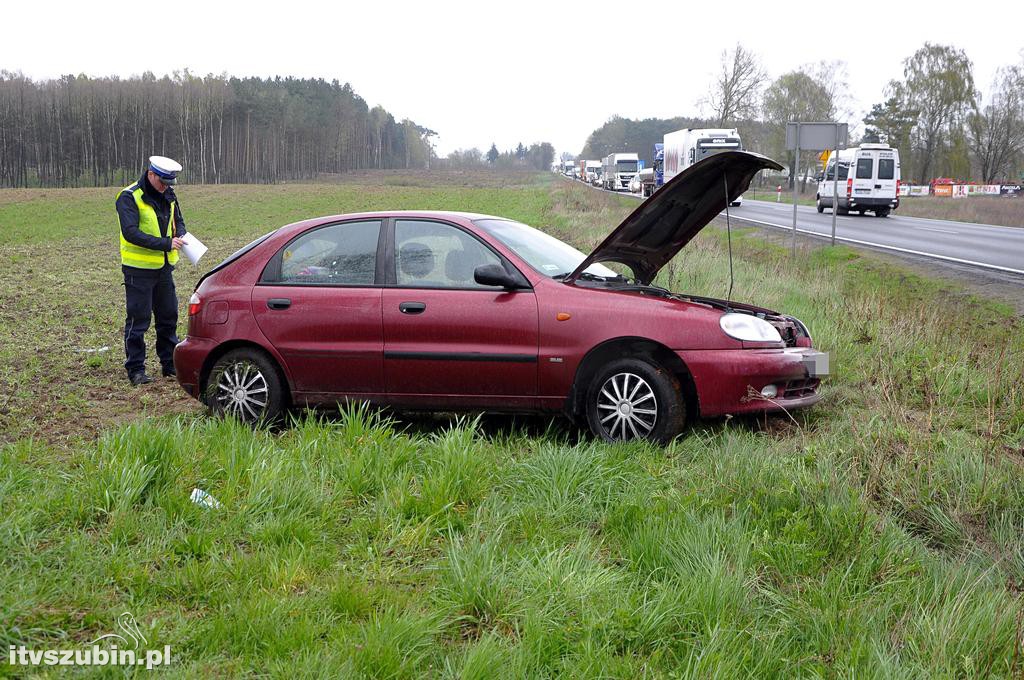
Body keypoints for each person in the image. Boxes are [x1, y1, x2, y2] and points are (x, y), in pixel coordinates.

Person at [116, 156, 188, 385]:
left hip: (164, 268)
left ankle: (169, 364)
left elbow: (178, 221)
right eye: (163, 182)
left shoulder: (169, 194)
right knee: (138, 321)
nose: (166, 187)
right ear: (151, 174)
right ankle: (136, 369)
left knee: (168, 317)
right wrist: (166, 244)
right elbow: (131, 233)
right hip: (138, 270)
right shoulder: (129, 196)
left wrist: (181, 234)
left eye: (169, 183)